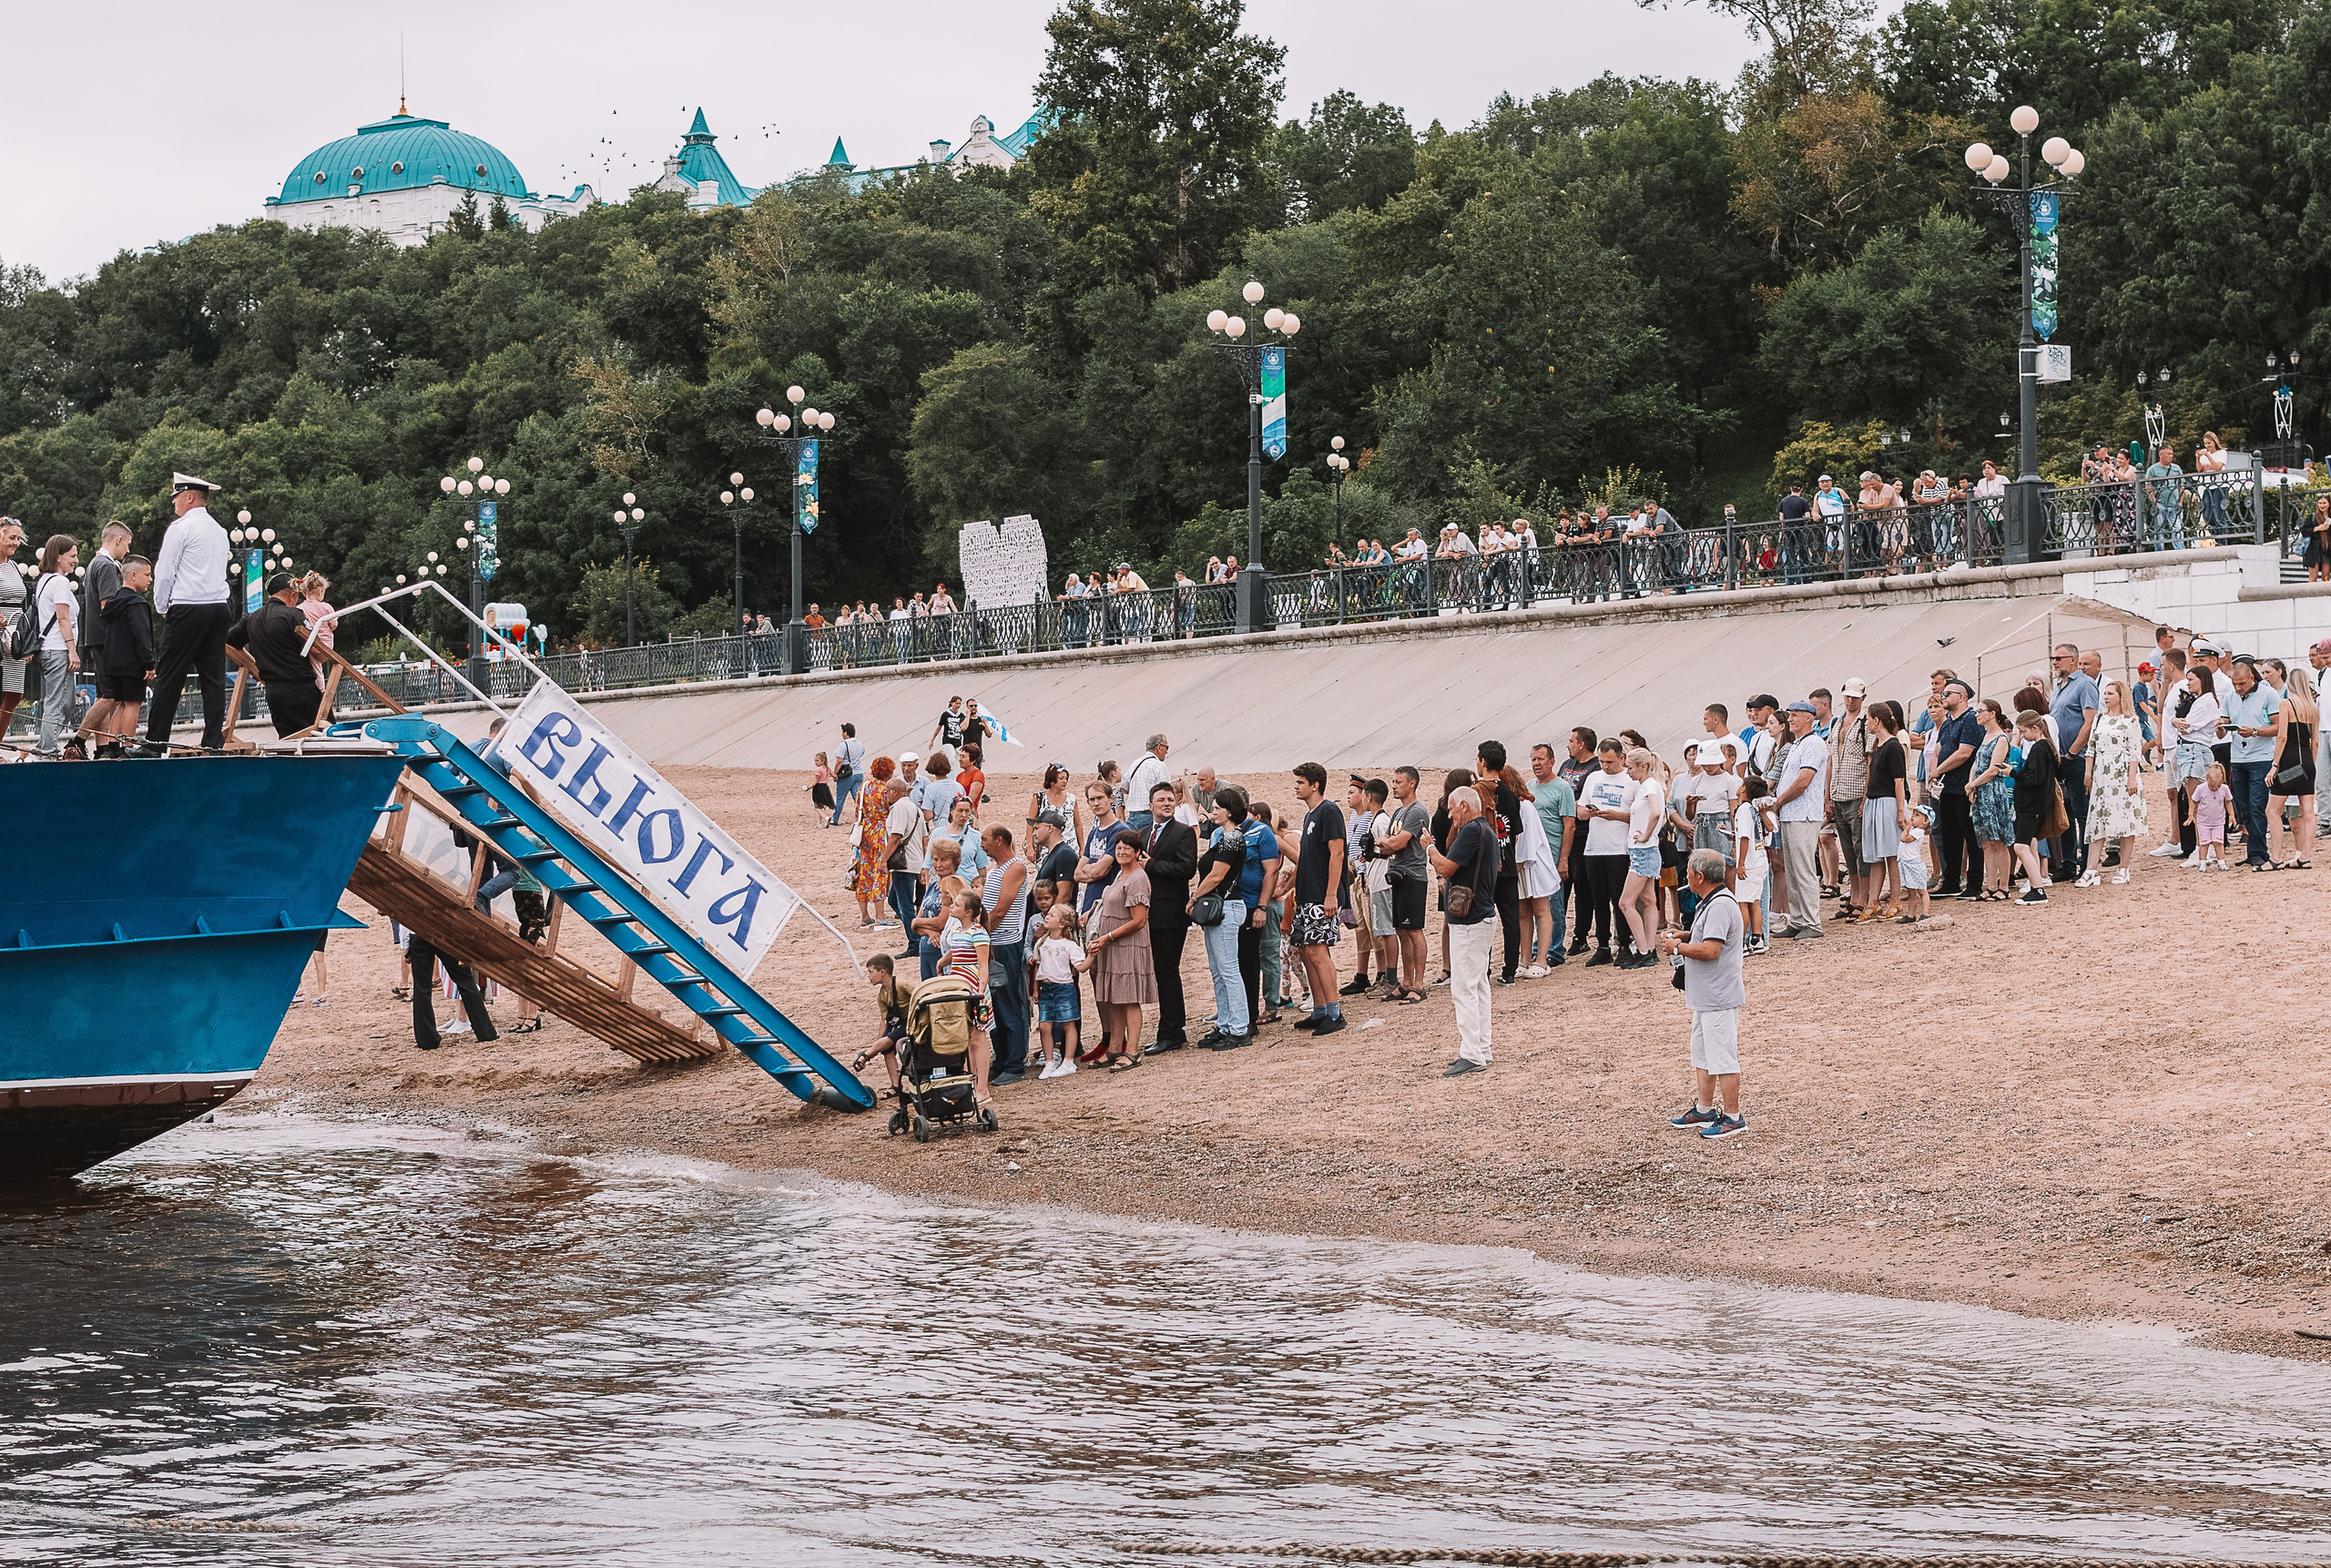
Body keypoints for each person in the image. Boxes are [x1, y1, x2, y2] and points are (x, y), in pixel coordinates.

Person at [144, 474, 235, 752]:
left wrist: (162, 606)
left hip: (188, 606)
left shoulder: (180, 528)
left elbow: (164, 572)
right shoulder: (219, 530)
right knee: (213, 679)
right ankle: (212, 742)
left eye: (176, 496)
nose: (173, 502)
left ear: (190, 497)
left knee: (170, 675)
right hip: (219, 607)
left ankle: (155, 743)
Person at [1661, 849, 1746, 1139]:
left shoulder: (1720, 905)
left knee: (1722, 1057)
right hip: (1707, 996)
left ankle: (1733, 1117)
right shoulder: (1710, 902)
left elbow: (1711, 950)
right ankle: (1705, 1108)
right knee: (1703, 1053)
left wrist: (1678, 948)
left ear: (1699, 876)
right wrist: (1685, 936)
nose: (1685, 876)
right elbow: (1706, 937)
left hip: (1718, 996)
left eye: (1687, 872)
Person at [1427, 784, 1501, 1075]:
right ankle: (1482, 1048)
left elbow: (1446, 867)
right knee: (1478, 985)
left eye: (1452, 808)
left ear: (1466, 807)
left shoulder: (1472, 831)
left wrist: (1429, 847)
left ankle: (1472, 1053)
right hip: (1481, 917)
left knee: (1464, 988)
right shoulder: (1486, 831)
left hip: (1470, 922)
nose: (1450, 814)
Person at [1284, 761, 1348, 1036]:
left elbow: (1338, 854)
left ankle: (1334, 1012)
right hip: (1309, 894)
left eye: (1300, 783)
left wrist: (1331, 894)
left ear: (1314, 785)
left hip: (1323, 896)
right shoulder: (1311, 815)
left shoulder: (1329, 811)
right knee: (1307, 950)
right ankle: (1320, 1009)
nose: (1296, 787)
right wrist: (1297, 884)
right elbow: (1310, 858)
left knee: (1319, 951)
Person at [1085, 826, 1155, 1071]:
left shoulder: (1137, 878)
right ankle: (1114, 1048)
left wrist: (1109, 936)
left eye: (1128, 848)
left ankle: (1132, 1051)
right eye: (1119, 847)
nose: (1122, 851)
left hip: (1128, 944)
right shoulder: (1120, 874)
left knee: (1129, 998)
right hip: (1111, 944)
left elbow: (1139, 920)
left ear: (1138, 852)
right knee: (1114, 997)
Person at [224, 573, 325, 738]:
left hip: (273, 692)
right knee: (326, 736)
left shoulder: (251, 618)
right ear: (292, 595)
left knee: (288, 742)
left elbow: (228, 643)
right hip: (300, 689)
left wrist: (253, 665)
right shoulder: (293, 615)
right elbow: (319, 652)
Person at [1138, 780, 1198, 1054]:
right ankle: (1168, 1028)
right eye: (1161, 800)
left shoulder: (1183, 833)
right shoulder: (1141, 832)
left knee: (1167, 971)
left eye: (1170, 800)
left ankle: (1172, 1031)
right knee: (1158, 972)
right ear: (1150, 805)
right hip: (1146, 913)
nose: (1166, 803)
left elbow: (1186, 869)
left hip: (1171, 913)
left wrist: (1151, 864)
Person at [1188, 789, 1251, 1049]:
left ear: (1229, 811)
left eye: (1217, 808)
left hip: (1227, 906)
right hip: (1221, 907)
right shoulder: (1223, 838)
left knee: (1228, 969)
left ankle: (1239, 1028)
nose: (1213, 811)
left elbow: (1215, 876)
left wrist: (1193, 897)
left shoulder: (1233, 839)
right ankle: (1226, 1024)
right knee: (1218, 971)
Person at [2080, 679, 2149, 885]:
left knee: (2125, 820)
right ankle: (2091, 869)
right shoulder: (2100, 719)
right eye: (2106, 693)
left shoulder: (2131, 721)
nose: (2106, 697)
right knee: (2097, 820)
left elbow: (2135, 752)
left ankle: (2124, 867)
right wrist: (2088, 773)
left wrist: (2131, 778)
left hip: (2122, 773)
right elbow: (2091, 747)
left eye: (2110, 693)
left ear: (2121, 696)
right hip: (2102, 774)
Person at [72, 522, 132, 755]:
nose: (127, 550)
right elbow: (108, 606)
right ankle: (77, 741)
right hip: (108, 638)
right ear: (118, 540)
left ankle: (102, 747)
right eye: (126, 544)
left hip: (95, 637)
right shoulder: (107, 566)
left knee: (103, 695)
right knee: (111, 696)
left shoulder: (93, 564)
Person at [1574, 738, 1636, 962]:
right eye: (1601, 761)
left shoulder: (1631, 780)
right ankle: (1602, 944)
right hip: (1594, 847)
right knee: (1598, 899)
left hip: (1619, 847)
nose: (1605, 766)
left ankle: (1623, 944)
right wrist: (1586, 812)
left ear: (1621, 758)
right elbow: (1580, 809)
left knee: (1619, 898)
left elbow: (1638, 815)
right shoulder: (1593, 777)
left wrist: (1616, 815)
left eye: (1609, 761)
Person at [1772, 701, 1830, 936]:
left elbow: (1804, 780)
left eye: (1795, 715)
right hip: (1791, 814)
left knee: (1803, 868)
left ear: (1809, 718)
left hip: (1803, 813)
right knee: (1793, 868)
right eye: (1790, 715)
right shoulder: (1798, 744)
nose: (1791, 719)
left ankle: (1812, 921)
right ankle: (1797, 919)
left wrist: (1778, 802)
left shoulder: (1814, 744)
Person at [937, 890, 998, 1113]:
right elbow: (957, 953)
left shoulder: (978, 932)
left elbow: (983, 964)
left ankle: (982, 1088)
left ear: (968, 912)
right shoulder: (958, 931)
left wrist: (981, 987)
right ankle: (970, 1084)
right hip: (959, 985)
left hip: (973, 988)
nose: (951, 906)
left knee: (978, 1038)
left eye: (956, 904)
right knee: (966, 1037)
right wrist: (942, 962)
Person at [980, 824, 1032, 1084]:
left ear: (1000, 840)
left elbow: (1000, 911)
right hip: (992, 943)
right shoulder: (996, 870)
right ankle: (1001, 1059)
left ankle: (1014, 1063)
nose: (982, 844)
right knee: (995, 1005)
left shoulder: (1015, 867)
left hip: (1005, 944)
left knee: (1010, 1002)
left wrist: (981, 935)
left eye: (985, 839)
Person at [2221, 657, 2282, 870]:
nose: (2238, 688)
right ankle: (2253, 851)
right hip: (2238, 758)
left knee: (2257, 806)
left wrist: (2255, 731)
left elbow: (2278, 727)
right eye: (2234, 684)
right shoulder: (2230, 697)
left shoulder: (2268, 694)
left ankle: (2259, 852)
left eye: (2242, 684)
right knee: (2243, 808)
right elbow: (2225, 725)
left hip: (2262, 758)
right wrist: (2220, 727)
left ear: (2252, 678)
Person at [94, 555, 157, 757]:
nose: (150, 579)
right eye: (147, 574)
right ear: (133, 575)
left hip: (112, 663)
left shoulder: (113, 604)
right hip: (132, 663)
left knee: (120, 703)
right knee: (133, 704)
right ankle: (127, 748)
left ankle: (112, 747)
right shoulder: (135, 604)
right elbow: (142, 635)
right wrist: (149, 662)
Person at [2049, 644, 2102, 882]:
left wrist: (2073, 751)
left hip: (2077, 758)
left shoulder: (2084, 684)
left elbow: (2089, 721)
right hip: (2061, 759)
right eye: (2053, 658)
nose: (2055, 662)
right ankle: (2068, 864)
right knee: (2066, 814)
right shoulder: (2059, 688)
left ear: (2073, 660)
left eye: (2059, 658)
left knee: (2082, 812)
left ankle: (2085, 864)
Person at [1929, 679, 1982, 897]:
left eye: (1948, 693)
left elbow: (1964, 753)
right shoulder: (1949, 721)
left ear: (1961, 697)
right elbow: (1939, 749)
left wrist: (1937, 771)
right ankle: (1951, 881)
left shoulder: (1970, 719)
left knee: (1971, 837)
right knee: (1950, 836)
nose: (1943, 696)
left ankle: (1974, 883)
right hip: (1947, 788)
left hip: (1964, 787)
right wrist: (1934, 773)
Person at [31, 535, 82, 756]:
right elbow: (62, 618)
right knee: (58, 703)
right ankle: (47, 749)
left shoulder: (44, 581)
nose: (76, 560)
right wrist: (72, 650)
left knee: (65, 703)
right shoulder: (60, 582)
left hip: (50, 650)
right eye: (72, 556)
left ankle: (47, 745)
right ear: (59, 557)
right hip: (59, 650)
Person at [2264, 657, 2316, 868]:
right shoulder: (2313, 709)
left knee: (2272, 810)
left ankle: (2276, 857)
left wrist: (2275, 765)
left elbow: (2282, 737)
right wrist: (2309, 767)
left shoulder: (2286, 703)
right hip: (2307, 763)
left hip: (2288, 761)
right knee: (2308, 811)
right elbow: (2315, 743)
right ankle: (2305, 856)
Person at [1858, 701, 1909, 919]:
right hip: (1874, 802)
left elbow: (1899, 781)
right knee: (1876, 856)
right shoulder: (1878, 747)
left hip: (1888, 803)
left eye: (1868, 718)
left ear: (1877, 721)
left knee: (1891, 854)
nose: (1866, 723)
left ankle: (1895, 900)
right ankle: (1873, 901)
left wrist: (1900, 811)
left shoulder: (1893, 746)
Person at [1827, 678, 1873, 916]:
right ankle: (1855, 895)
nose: (1851, 700)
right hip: (1838, 791)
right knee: (1848, 847)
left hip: (1855, 792)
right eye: (1848, 696)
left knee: (1860, 846)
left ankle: (1862, 897)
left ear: (1863, 697)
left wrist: (1866, 796)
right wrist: (1827, 795)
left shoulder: (1866, 723)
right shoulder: (1836, 723)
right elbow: (1831, 759)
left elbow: (1869, 760)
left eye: (1855, 696)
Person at [1238, 797, 1285, 1025]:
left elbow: (1298, 858)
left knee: (1268, 955)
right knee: (1251, 957)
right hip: (1253, 903)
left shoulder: (1270, 836)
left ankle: (1271, 1005)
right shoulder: (1248, 835)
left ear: (1256, 817)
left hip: (1268, 903)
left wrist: (1284, 886)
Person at [1968, 698, 2018, 901]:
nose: (1977, 714)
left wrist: (1973, 784)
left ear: (1993, 713)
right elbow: (1976, 763)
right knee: (1986, 842)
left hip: (1993, 791)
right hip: (1980, 791)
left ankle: (2003, 886)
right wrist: (1971, 784)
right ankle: (1990, 885)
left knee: (1998, 841)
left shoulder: (2001, 738)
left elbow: (1994, 768)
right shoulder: (1986, 736)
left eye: (1981, 711)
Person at [2010, 711, 2061, 903]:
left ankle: (2038, 889)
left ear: (2035, 728)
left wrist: (2013, 773)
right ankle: (2036, 884)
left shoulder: (2039, 748)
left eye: (2023, 732)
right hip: (2035, 805)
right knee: (2029, 843)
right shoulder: (2046, 747)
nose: (2022, 736)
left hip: (2031, 806)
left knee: (2020, 847)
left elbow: (2035, 779)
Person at [847, 954, 914, 1099]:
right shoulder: (882, 994)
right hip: (898, 1022)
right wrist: (878, 1043)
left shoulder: (902, 985)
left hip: (913, 1021)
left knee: (889, 1039)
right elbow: (884, 1020)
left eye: (871, 972)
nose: (868, 976)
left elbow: (920, 995)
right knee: (887, 1048)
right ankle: (896, 1086)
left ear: (882, 972)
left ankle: (865, 1056)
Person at [1032, 906, 1086, 1078]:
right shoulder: (1042, 942)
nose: (1047, 917)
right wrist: (1035, 988)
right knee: (1044, 1025)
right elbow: (1038, 966)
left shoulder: (1070, 945)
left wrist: (1091, 955)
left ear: (1062, 923)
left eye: (1052, 915)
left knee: (1068, 1024)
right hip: (1046, 989)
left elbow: (1080, 967)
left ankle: (1068, 1061)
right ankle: (1049, 1062)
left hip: (1063, 987)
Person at [849, 759, 899, 927]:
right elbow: (892, 809)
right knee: (881, 871)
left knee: (865, 871)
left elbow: (858, 810)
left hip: (865, 831)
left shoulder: (865, 787)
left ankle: (865, 916)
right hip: (881, 831)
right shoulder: (887, 789)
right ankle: (880, 916)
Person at [883, 773, 930, 943]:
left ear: (895, 791)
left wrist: (883, 861)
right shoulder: (916, 809)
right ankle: (917, 933)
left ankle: (915, 942)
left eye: (887, 792)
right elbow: (925, 840)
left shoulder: (899, 808)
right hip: (916, 862)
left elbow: (896, 837)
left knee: (905, 905)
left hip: (904, 864)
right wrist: (925, 865)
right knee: (894, 900)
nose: (886, 795)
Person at [2191, 762, 2234, 869]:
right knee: (2204, 843)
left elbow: (2228, 802)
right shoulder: (2201, 788)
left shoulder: (2224, 789)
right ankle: (2203, 862)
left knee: (2219, 842)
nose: (2215, 788)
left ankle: (2221, 862)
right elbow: (2193, 801)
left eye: (2217, 786)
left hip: (2218, 821)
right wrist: (2191, 814)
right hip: (2203, 822)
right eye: (2212, 786)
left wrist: (2232, 815)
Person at [1125, 734, 1171, 830]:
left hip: (1132, 816)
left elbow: (1124, 786)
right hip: (1149, 816)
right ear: (1159, 747)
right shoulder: (1159, 766)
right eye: (1166, 747)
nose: (1166, 751)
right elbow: (1167, 792)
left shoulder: (1135, 763)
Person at [829, 723, 865, 825]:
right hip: (859, 773)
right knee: (857, 797)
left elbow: (839, 760)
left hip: (848, 774)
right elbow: (861, 754)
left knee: (840, 797)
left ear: (846, 733)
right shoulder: (860, 744)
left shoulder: (843, 745)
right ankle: (863, 816)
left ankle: (835, 819)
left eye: (842, 732)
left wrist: (835, 774)